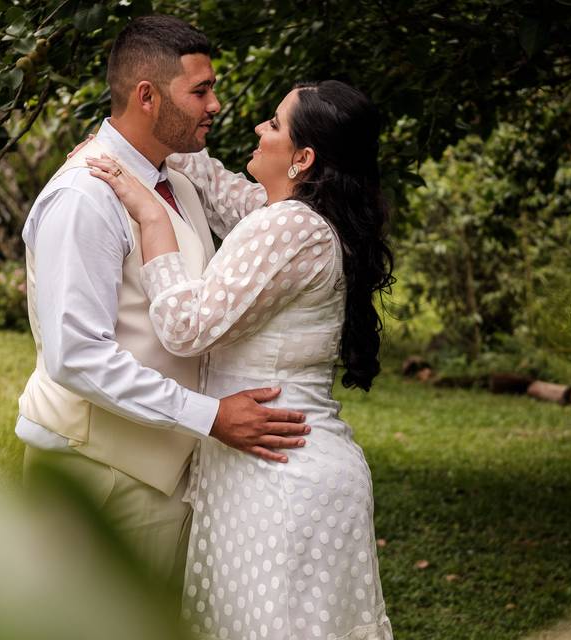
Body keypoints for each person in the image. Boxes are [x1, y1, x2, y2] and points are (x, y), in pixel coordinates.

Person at [85, 79, 394, 639]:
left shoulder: (290, 226)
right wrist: (151, 132)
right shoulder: (299, 215)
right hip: (275, 465)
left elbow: (185, 327)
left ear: (302, 158)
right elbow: (225, 191)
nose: (257, 127)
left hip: (280, 476)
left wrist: (153, 219)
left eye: (274, 124)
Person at [15, 15, 310, 599]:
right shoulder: (86, 198)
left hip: (157, 477)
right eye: (199, 91)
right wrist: (211, 416)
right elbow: (77, 357)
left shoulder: (172, 173)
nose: (217, 105)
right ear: (147, 97)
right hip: (97, 479)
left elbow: (272, 219)